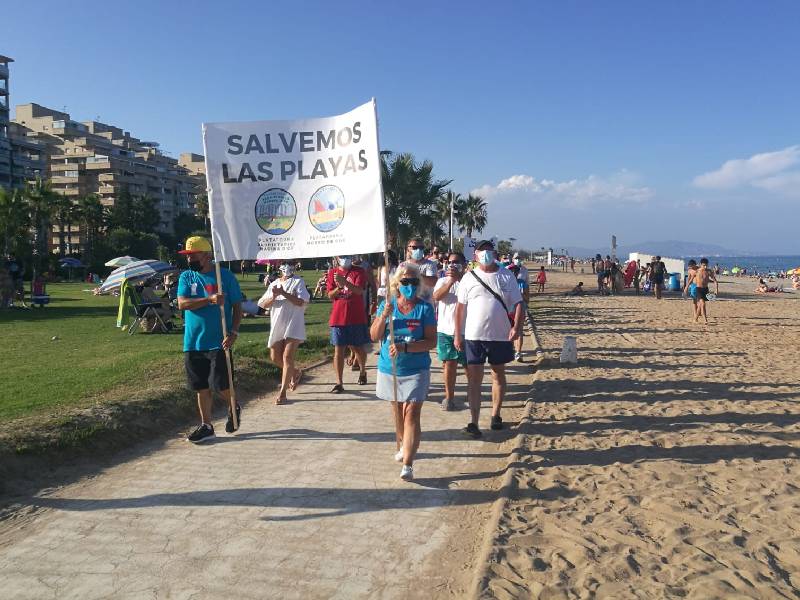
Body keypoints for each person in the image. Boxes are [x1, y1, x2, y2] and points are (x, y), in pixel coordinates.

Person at [370, 263, 437, 481]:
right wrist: (382, 317)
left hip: (416, 369)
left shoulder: (425, 309)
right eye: (405, 281)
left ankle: (408, 463)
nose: (409, 285)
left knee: (412, 413)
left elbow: (431, 342)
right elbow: (374, 336)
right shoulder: (387, 306)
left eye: (413, 281)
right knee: (398, 411)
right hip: (390, 368)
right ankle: (402, 443)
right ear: (396, 284)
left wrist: (405, 347)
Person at [455, 239, 524, 438]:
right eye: (481, 251)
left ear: (494, 253)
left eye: (488, 250)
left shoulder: (506, 275)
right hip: (474, 336)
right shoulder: (469, 277)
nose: (485, 254)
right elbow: (460, 309)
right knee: (474, 380)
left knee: (497, 374)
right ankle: (473, 422)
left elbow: (519, 304)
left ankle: (496, 415)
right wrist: (457, 334)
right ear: (475, 255)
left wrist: (517, 327)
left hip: (500, 335)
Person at [177, 236, 243, 443]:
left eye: (193, 255)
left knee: (220, 385)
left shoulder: (225, 276)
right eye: (187, 256)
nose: (190, 259)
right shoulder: (186, 277)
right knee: (201, 387)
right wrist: (209, 300)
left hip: (219, 341)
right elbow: (182, 304)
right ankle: (206, 425)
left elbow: (237, 306)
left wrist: (233, 332)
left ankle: (233, 405)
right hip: (193, 342)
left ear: (206, 255)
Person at [258, 260, 310, 404]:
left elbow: (302, 301)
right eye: (285, 263)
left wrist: (284, 293)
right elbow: (263, 304)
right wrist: (274, 296)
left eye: (290, 263)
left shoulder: (298, 281)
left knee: (287, 357)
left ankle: (283, 393)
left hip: (294, 323)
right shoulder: (273, 284)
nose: (287, 267)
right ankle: (295, 372)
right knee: (275, 357)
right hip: (277, 324)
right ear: (279, 267)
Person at [327, 254, 369, 392]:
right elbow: (330, 295)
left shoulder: (359, 271)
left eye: (348, 256)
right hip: (338, 317)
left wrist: (345, 282)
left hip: (355, 316)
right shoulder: (333, 272)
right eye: (342, 256)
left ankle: (363, 371)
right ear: (337, 258)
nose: (345, 258)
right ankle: (339, 382)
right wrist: (338, 288)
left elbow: (359, 290)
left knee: (357, 348)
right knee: (338, 350)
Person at [432, 252, 469, 410]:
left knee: (470, 365)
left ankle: (473, 392)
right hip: (445, 330)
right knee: (449, 364)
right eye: (450, 262)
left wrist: (459, 279)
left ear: (464, 264)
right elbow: (436, 296)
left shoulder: (470, 280)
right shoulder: (442, 280)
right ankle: (449, 397)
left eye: (456, 262)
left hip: (467, 330)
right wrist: (450, 282)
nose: (453, 265)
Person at [685, 258, 719, 324]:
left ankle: (695, 319)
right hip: (698, 289)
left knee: (701, 305)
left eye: (706, 265)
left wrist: (716, 290)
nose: (705, 267)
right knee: (702, 304)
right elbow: (690, 280)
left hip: (705, 289)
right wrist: (686, 288)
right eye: (703, 265)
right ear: (700, 264)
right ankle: (705, 320)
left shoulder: (709, 271)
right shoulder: (697, 271)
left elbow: (715, 281)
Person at [511, 253, 530, 361]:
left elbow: (527, 295)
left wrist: (523, 297)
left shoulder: (524, 275)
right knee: (509, 328)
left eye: (519, 258)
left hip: (521, 305)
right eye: (516, 258)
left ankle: (518, 352)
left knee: (519, 329)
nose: (518, 260)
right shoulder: (506, 271)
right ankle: (511, 349)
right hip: (508, 306)